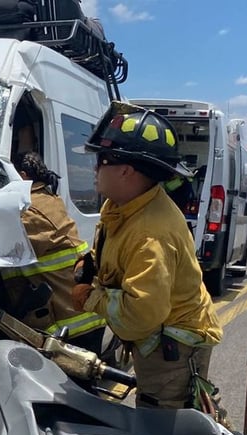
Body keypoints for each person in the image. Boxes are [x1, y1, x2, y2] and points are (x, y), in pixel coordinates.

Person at [70, 101, 223, 411]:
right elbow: (109, 246)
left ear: (126, 170)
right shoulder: (119, 206)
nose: (95, 168)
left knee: (167, 428)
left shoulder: (151, 234)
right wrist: (91, 263)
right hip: (157, 339)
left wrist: (92, 297)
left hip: (175, 348)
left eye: (101, 161)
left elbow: (140, 316)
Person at [0, 152, 105, 354]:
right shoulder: (45, 198)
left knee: (72, 383)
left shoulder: (30, 209)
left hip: (73, 323)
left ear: (22, 177)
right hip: (82, 312)